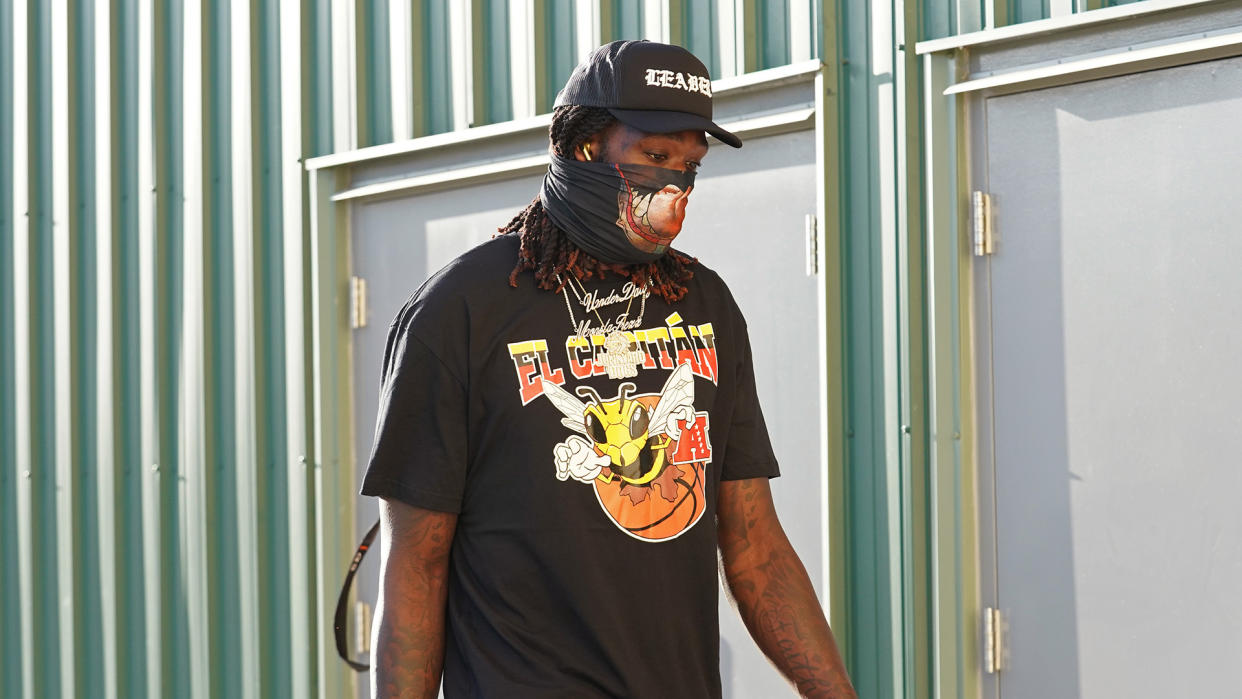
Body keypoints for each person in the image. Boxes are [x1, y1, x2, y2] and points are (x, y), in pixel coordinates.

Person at [361, 39, 856, 699]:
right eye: (655, 157)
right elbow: (416, 565)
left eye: (690, 165)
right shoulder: (462, 310)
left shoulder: (703, 305)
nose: (675, 185)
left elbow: (755, 543)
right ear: (583, 147)